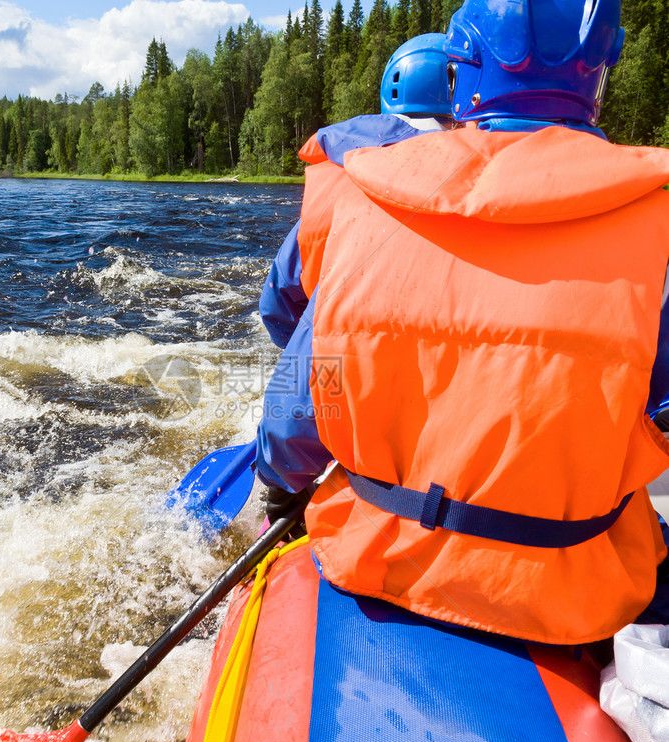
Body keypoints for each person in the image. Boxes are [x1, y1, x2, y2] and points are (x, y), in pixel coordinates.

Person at [255, 0, 669, 646]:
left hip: (375, 557)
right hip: (576, 591)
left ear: (463, 74)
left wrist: (279, 483)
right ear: (599, 77)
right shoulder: (657, 222)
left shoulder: (368, 196)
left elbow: (308, 381)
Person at [260, 34, 453, 530]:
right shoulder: (476, 185)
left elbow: (279, 306)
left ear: (392, 96)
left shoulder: (338, 180)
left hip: (339, 382)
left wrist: (287, 478)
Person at [260, 33, 453, 350]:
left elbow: (276, 302)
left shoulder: (335, 187)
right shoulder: (484, 184)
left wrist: (301, 349)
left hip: (338, 375)